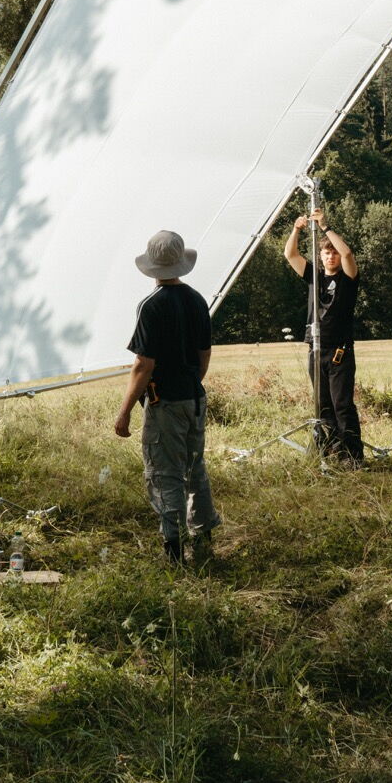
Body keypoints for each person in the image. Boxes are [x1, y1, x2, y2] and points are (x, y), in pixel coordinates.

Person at [114, 230, 221, 565]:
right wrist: (190, 383)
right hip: (194, 397)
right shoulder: (197, 300)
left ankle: (173, 550)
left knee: (164, 473)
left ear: (151, 267)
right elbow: (204, 355)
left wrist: (124, 412)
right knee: (194, 467)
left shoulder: (150, 306)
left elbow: (143, 366)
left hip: (165, 403)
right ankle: (203, 534)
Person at [284, 207, 363, 465]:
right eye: (326, 252)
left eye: (333, 253)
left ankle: (351, 456)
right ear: (320, 255)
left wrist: (326, 227)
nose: (331, 257)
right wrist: (297, 229)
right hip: (315, 349)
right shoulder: (314, 276)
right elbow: (290, 254)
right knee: (323, 405)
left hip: (339, 350)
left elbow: (348, 253)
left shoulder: (348, 279)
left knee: (342, 404)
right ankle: (329, 450)